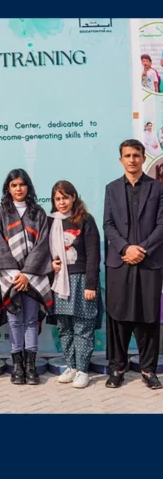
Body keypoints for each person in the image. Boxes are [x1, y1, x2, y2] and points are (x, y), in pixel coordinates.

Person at [103, 139, 163, 390]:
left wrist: (142, 249)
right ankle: (117, 368)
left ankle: (148, 370)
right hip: (120, 262)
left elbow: (162, 224)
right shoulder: (111, 188)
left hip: (149, 262)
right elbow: (108, 225)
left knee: (148, 317)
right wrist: (126, 248)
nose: (132, 160)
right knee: (118, 316)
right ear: (121, 160)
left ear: (143, 158)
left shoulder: (157, 188)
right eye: (127, 156)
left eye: (136, 155)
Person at [0, 169, 52, 385]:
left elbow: (43, 244)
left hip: (34, 277)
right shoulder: (1, 213)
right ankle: (17, 366)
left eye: (22, 185)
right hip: (10, 277)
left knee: (31, 320)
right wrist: (16, 275)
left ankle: (30, 366)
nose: (18, 189)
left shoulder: (38, 212)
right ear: (8, 188)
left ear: (28, 187)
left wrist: (27, 274)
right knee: (14, 320)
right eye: (14, 185)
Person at [49, 180, 101, 389]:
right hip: (60, 283)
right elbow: (43, 251)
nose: (62, 202)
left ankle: (82, 370)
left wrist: (91, 285)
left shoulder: (85, 220)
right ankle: (70, 366)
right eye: (57, 199)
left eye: (65, 198)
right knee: (64, 328)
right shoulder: (51, 222)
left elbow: (93, 255)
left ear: (73, 197)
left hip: (81, 281)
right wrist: (50, 263)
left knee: (83, 327)